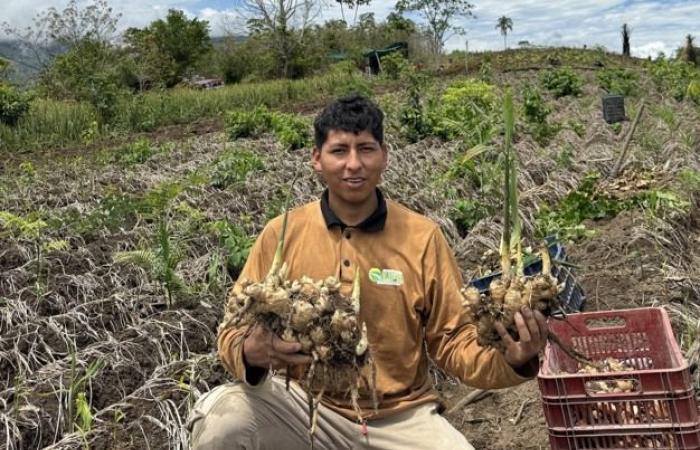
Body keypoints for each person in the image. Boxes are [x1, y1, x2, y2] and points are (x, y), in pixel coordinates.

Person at [187, 95, 548, 450]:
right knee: (223, 424)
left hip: (399, 416)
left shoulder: (422, 237)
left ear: (385, 156)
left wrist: (511, 360)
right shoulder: (281, 233)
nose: (354, 164)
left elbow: (452, 340)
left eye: (366, 148)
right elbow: (233, 329)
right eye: (339, 150)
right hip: (300, 404)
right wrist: (250, 353)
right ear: (317, 159)